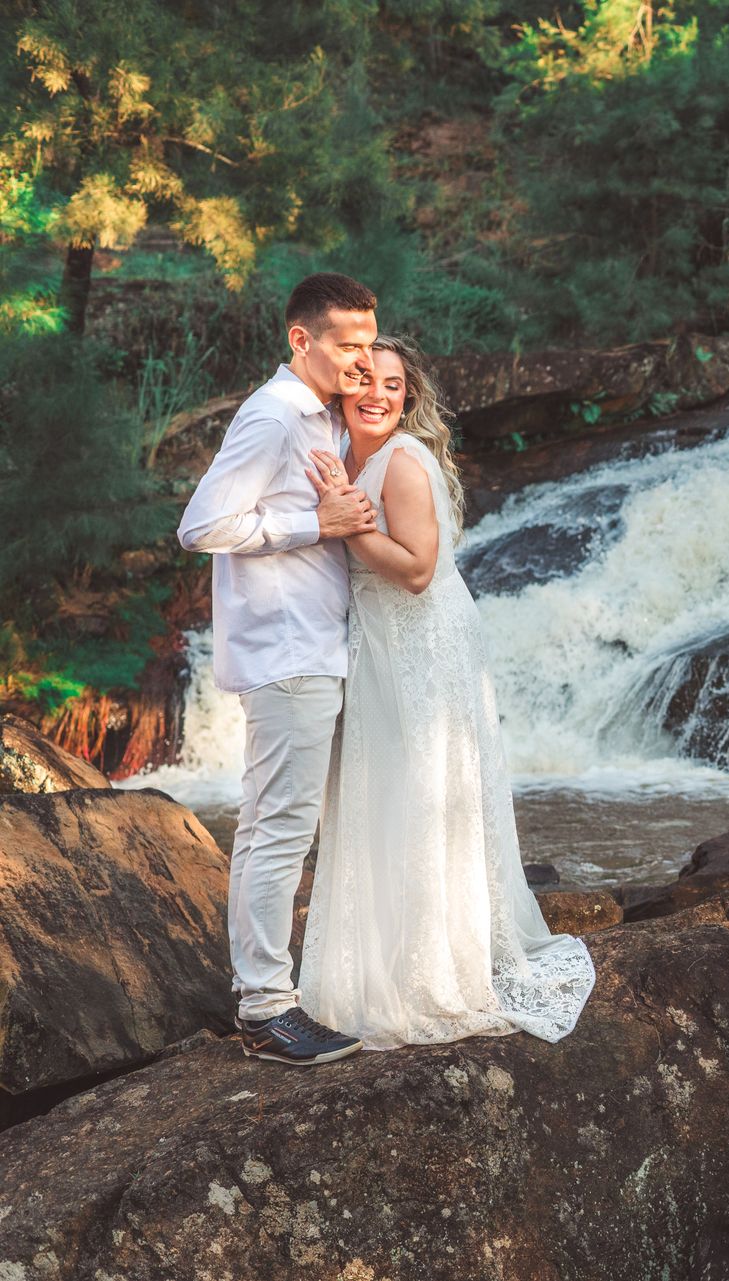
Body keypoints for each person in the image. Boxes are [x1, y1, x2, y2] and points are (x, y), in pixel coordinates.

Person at [295, 334, 596, 1050]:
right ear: (341, 385)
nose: (377, 393)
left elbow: (419, 569)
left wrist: (346, 520)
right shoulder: (347, 453)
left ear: (409, 399)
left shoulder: (399, 461)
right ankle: (379, 966)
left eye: (393, 386)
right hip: (381, 641)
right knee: (384, 793)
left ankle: (434, 968)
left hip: (423, 641)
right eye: (364, 378)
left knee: (425, 791)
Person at [177, 272, 380, 1065]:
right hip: (288, 652)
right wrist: (313, 520)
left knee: (295, 826)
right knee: (277, 830)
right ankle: (265, 1010)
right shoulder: (271, 415)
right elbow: (202, 524)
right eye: (349, 345)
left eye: (371, 343)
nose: (363, 360)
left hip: (322, 646)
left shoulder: (324, 415)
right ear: (302, 341)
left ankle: (295, 993)